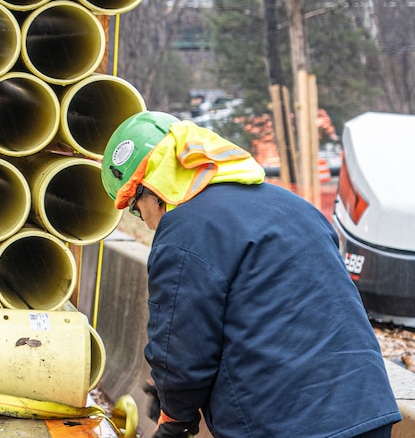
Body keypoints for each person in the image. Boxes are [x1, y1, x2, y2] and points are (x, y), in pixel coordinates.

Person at [100, 111, 402, 438]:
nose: (141, 218)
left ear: (154, 187)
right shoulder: (296, 207)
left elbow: (182, 345)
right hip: (367, 412)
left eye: (133, 205)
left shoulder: (184, 231)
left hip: (285, 425)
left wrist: (174, 415)